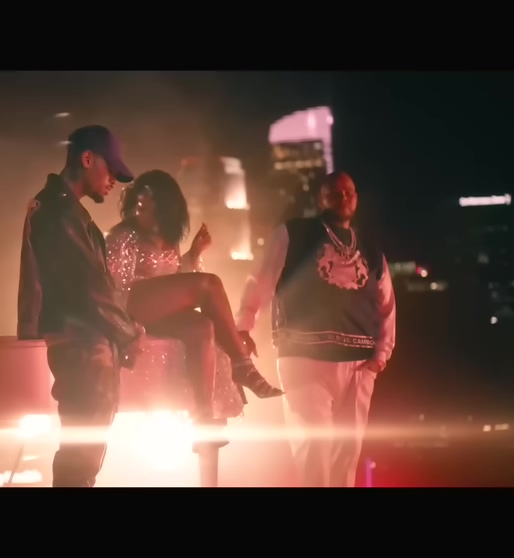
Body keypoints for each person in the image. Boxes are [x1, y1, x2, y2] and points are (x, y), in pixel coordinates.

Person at [235, 171, 396, 487]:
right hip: (304, 357)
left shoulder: (371, 250)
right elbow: (261, 280)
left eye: (349, 192)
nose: (343, 198)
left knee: (347, 453)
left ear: (356, 198)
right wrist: (243, 325)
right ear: (320, 199)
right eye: (334, 192)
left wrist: (380, 357)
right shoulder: (293, 233)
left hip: (358, 365)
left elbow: (386, 305)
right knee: (313, 448)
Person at [17, 125, 144, 488]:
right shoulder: (59, 212)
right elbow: (91, 288)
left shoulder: (62, 210)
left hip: (83, 343)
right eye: (111, 170)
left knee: (82, 452)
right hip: (82, 344)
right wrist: (129, 332)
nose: (114, 181)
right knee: (81, 455)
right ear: (87, 159)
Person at [105, 170, 260, 450]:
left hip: (160, 314)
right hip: (129, 305)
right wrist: (126, 326)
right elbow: (114, 286)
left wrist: (194, 255)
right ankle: (242, 364)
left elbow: (176, 280)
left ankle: (203, 420)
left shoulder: (170, 238)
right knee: (209, 284)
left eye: (150, 202)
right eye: (140, 201)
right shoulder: (124, 235)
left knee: (203, 327)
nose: (143, 206)